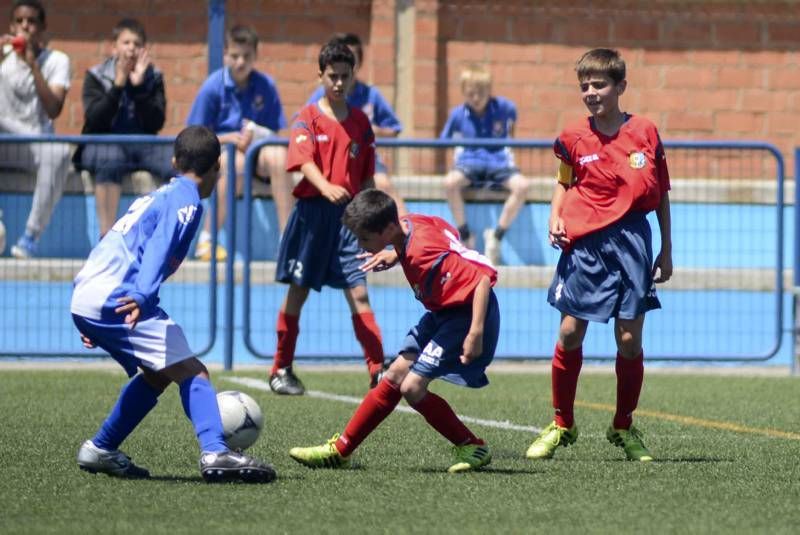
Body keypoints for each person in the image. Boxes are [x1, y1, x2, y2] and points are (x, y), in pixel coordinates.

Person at [70, 125, 276, 483]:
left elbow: (112, 242)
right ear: (217, 169)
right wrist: (140, 295)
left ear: (174, 161)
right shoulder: (188, 200)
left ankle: (101, 448)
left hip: (91, 294)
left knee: (157, 374)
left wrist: (88, 313)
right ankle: (215, 451)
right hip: (120, 297)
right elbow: (160, 246)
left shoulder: (156, 195)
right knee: (194, 372)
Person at [526, 48, 672, 463]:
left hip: (632, 244)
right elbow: (563, 182)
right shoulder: (573, 137)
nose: (590, 92)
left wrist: (667, 248)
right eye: (584, 86)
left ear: (621, 87)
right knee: (571, 332)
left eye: (599, 84)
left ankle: (623, 426)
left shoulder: (646, 132)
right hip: (585, 244)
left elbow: (661, 194)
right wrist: (555, 216)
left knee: (628, 340)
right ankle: (561, 423)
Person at [289, 188, 499, 473]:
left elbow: (480, 281)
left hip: (465, 315)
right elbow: (447, 233)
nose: (360, 243)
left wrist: (475, 333)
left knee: (412, 388)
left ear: (387, 228)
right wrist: (396, 254)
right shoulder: (410, 224)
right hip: (443, 311)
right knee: (394, 375)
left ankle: (472, 445)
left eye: (364, 238)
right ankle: (341, 451)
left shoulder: (422, 251)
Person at [269, 42, 385, 395]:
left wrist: (371, 213)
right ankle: (280, 369)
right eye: (332, 76)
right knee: (298, 293)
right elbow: (302, 162)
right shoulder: (307, 117)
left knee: (359, 294)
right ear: (320, 75)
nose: (338, 82)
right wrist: (325, 186)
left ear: (352, 77)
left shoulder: (362, 123)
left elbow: (366, 177)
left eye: (344, 76)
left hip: (349, 221)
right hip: (312, 218)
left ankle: (379, 373)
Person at [187, 24, 291, 261]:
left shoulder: (267, 85)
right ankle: (207, 239)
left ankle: (287, 238)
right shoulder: (213, 86)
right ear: (225, 54)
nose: (241, 62)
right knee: (236, 163)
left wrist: (257, 135)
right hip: (225, 153)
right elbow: (195, 133)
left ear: (255, 56)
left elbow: (275, 131)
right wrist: (228, 138)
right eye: (235, 56)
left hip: (258, 152)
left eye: (247, 56)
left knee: (279, 155)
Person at [75, 18, 175, 238]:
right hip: (104, 142)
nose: (131, 48)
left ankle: (168, 235)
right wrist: (118, 84)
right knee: (110, 158)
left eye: (137, 44)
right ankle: (107, 236)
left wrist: (139, 88)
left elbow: (156, 122)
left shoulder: (154, 77)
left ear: (144, 50)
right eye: (126, 42)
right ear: (114, 47)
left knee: (177, 162)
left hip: (143, 144)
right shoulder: (96, 76)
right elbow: (94, 120)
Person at [440, 64, 533, 267]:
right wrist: (457, 154)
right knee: (449, 183)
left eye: (480, 92)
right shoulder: (457, 114)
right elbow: (443, 140)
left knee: (522, 186)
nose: (476, 98)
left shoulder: (505, 108)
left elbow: (512, 129)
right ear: (464, 92)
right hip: (469, 163)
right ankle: (465, 235)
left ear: (489, 90)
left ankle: (496, 235)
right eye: (471, 93)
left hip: (498, 162)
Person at [306, 32, 407, 215]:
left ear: (357, 65)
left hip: (365, 160)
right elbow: (303, 127)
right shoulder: (319, 96)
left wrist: (371, 129)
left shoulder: (371, 95)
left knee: (382, 184)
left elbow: (394, 129)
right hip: (329, 161)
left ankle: (406, 232)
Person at [0, 0, 71, 258]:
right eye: (19, 21)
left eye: (31, 22)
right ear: (11, 25)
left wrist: (32, 64)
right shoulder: (3, 57)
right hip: (3, 140)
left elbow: (54, 109)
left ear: (42, 28)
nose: (24, 27)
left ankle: (30, 237)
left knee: (60, 152)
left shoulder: (57, 60)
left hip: (34, 143)